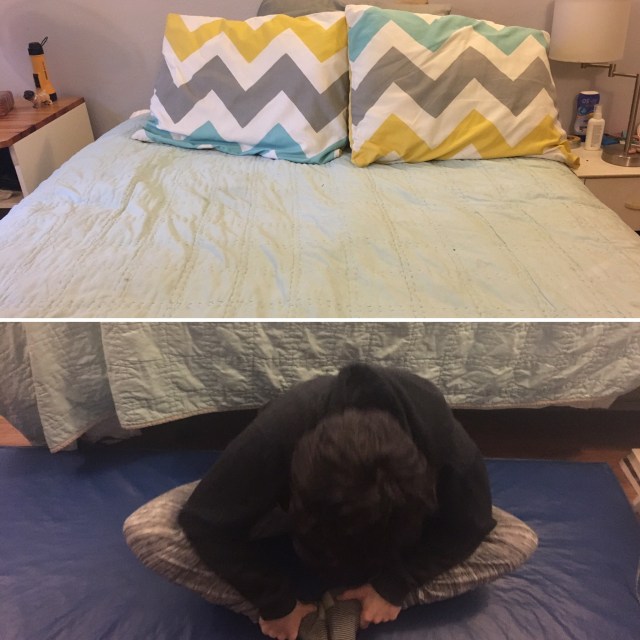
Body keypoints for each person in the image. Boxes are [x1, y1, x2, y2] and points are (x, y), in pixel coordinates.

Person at [175, 363, 499, 639]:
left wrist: (395, 585)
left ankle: (348, 606)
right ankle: (298, 616)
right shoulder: (275, 435)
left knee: (517, 541)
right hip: (281, 522)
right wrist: (275, 602)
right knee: (146, 530)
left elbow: (473, 525)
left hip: (394, 542)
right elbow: (202, 521)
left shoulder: (454, 456)